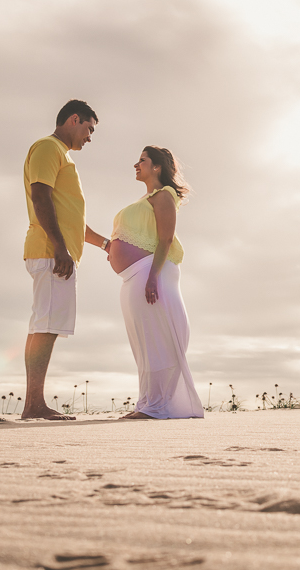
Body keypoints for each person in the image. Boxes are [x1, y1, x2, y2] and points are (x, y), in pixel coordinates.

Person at [20, 99, 111, 420]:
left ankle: (34, 403)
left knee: (47, 325)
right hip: (50, 251)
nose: (90, 136)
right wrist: (59, 247)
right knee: (44, 325)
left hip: (57, 251)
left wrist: (104, 244)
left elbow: (71, 217)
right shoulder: (48, 148)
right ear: (74, 119)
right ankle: (33, 404)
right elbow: (40, 195)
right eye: (89, 129)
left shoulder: (62, 156)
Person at [107, 146, 204, 420]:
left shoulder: (164, 195)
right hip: (135, 277)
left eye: (142, 161)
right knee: (143, 342)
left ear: (157, 167)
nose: (136, 165)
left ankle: (156, 406)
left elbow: (166, 239)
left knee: (156, 340)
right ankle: (148, 402)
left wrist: (152, 278)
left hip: (153, 273)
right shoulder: (146, 198)